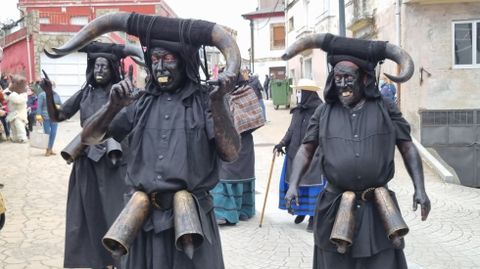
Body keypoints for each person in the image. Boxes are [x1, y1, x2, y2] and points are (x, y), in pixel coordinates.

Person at [61, 12, 242, 268]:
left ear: (186, 61)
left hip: (191, 226)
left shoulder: (206, 101)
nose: (159, 67)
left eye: (168, 59)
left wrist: (218, 104)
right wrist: (112, 107)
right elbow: (90, 137)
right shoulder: (139, 103)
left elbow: (231, 152)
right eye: (155, 59)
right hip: (143, 221)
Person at [282, 33, 431, 269]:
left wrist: (420, 188)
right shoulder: (323, 112)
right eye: (337, 77)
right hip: (334, 208)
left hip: (378, 212)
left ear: (364, 79)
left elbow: (407, 147)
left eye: (348, 77)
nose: (342, 84)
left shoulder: (386, 108)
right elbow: (306, 150)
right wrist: (292, 184)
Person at [40, 41, 142, 269]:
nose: (99, 70)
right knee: (88, 213)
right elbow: (58, 116)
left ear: (113, 69)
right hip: (87, 163)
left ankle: (121, 261)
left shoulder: (124, 93)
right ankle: (98, 260)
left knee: (116, 211)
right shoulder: (85, 93)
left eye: (104, 66)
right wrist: (48, 93)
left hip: (115, 164)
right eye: (96, 66)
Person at [212, 70, 265, 225]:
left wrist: (238, 124)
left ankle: (243, 210)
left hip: (244, 142)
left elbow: (255, 117)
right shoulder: (222, 95)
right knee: (226, 175)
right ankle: (225, 213)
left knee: (241, 177)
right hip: (227, 141)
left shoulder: (247, 92)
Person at [274, 78, 325, 232]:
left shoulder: (321, 110)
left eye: (299, 92)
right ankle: (301, 211)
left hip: (313, 157)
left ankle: (313, 218)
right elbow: (291, 130)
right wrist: (281, 143)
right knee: (296, 184)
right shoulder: (298, 110)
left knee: (312, 187)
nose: (297, 95)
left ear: (307, 93)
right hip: (294, 154)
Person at [36, 80, 61, 156]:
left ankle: (50, 149)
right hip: (45, 117)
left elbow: (60, 104)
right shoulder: (42, 95)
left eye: (53, 85)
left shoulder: (56, 95)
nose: (52, 86)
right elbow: (39, 106)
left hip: (54, 117)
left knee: (53, 133)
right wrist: (38, 116)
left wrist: (58, 107)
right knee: (47, 133)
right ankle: (47, 149)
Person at [5, 74, 28, 143]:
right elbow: (5, 97)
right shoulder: (11, 92)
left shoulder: (23, 94)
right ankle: (15, 138)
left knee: (19, 125)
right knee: (13, 126)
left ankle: (22, 138)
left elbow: (18, 100)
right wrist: (9, 89)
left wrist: (10, 93)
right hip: (12, 112)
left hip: (20, 113)